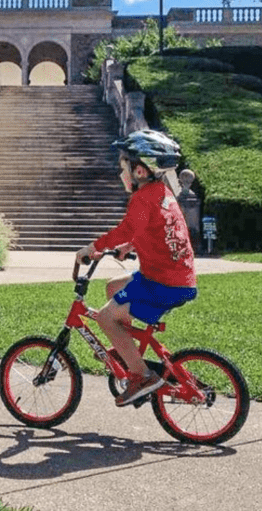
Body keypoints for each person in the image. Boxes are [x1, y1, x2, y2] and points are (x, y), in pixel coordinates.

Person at [76, 129, 197, 407]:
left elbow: (128, 227)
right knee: (112, 287)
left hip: (162, 284)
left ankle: (141, 375)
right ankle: (126, 350)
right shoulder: (162, 193)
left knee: (106, 319)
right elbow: (156, 229)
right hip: (174, 277)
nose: (121, 174)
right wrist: (131, 246)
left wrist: (91, 248)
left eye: (123, 167)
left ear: (140, 171)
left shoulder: (142, 199)